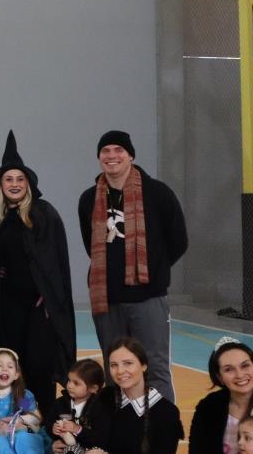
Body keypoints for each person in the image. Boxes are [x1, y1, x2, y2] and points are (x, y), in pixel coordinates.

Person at [77, 130, 189, 402]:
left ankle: (160, 433)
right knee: (115, 369)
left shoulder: (158, 193)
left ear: (131, 156)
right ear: (99, 157)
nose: (112, 156)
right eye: (106, 152)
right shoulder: (89, 199)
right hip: (108, 301)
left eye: (118, 151)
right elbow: (90, 244)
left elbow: (178, 241)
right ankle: (119, 432)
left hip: (147, 298)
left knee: (155, 367)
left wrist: (153, 271)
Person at [0, 131, 75, 414]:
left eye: (19, 179)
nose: (14, 184)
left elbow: (56, 265)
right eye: (8, 179)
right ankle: (14, 420)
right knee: (9, 364)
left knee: (39, 367)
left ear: (28, 184)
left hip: (39, 309)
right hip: (7, 306)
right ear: (1, 184)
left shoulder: (44, 214)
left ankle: (43, 423)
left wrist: (51, 300)